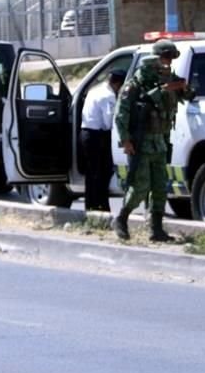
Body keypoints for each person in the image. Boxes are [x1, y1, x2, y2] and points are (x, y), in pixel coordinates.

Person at [113, 40, 195, 242]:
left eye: (170, 59)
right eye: (164, 58)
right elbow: (121, 114)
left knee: (160, 187)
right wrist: (126, 141)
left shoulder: (169, 80)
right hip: (141, 142)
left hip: (160, 141)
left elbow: (188, 95)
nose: (167, 64)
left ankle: (156, 229)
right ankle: (121, 218)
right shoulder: (137, 83)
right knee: (140, 186)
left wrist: (183, 87)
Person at [79, 68, 127, 212]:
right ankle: (101, 206)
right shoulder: (109, 96)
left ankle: (91, 206)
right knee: (102, 173)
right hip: (97, 137)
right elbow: (108, 123)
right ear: (118, 84)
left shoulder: (95, 90)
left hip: (86, 133)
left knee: (91, 173)